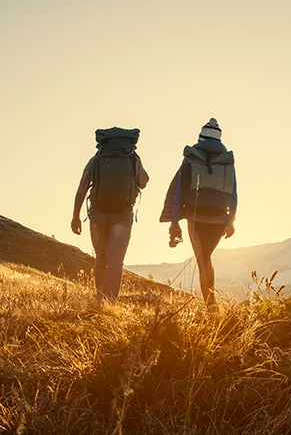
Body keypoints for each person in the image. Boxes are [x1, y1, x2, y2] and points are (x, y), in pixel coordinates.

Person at [160, 118, 237, 311]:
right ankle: (211, 304)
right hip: (220, 219)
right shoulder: (227, 161)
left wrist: (174, 220)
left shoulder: (191, 158)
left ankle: (211, 306)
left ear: (200, 137)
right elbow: (233, 192)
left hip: (196, 217)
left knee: (203, 260)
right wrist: (231, 220)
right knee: (206, 258)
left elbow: (179, 190)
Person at [71, 127, 149, 303]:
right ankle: (110, 303)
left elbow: (82, 188)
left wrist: (75, 216)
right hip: (122, 215)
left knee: (101, 258)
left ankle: (100, 300)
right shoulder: (133, 158)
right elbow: (143, 182)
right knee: (116, 260)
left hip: (98, 214)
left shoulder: (97, 158)